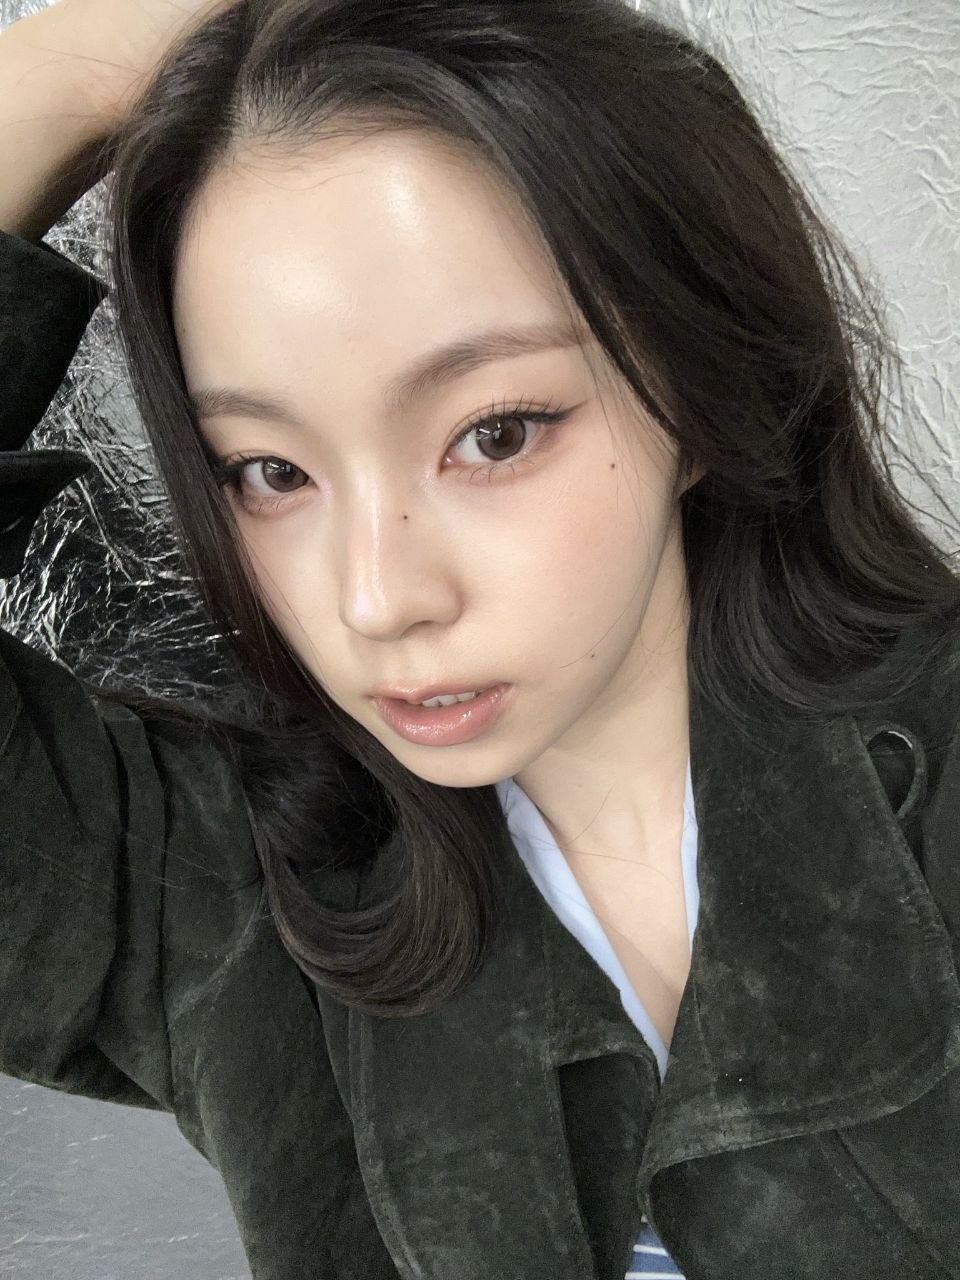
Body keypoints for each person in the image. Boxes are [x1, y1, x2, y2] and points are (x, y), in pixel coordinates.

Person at [2, 1, 959, 1277]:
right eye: (272, 470)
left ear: (696, 382)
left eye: (493, 434)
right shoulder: (240, 899)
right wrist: (69, 72)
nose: (376, 597)